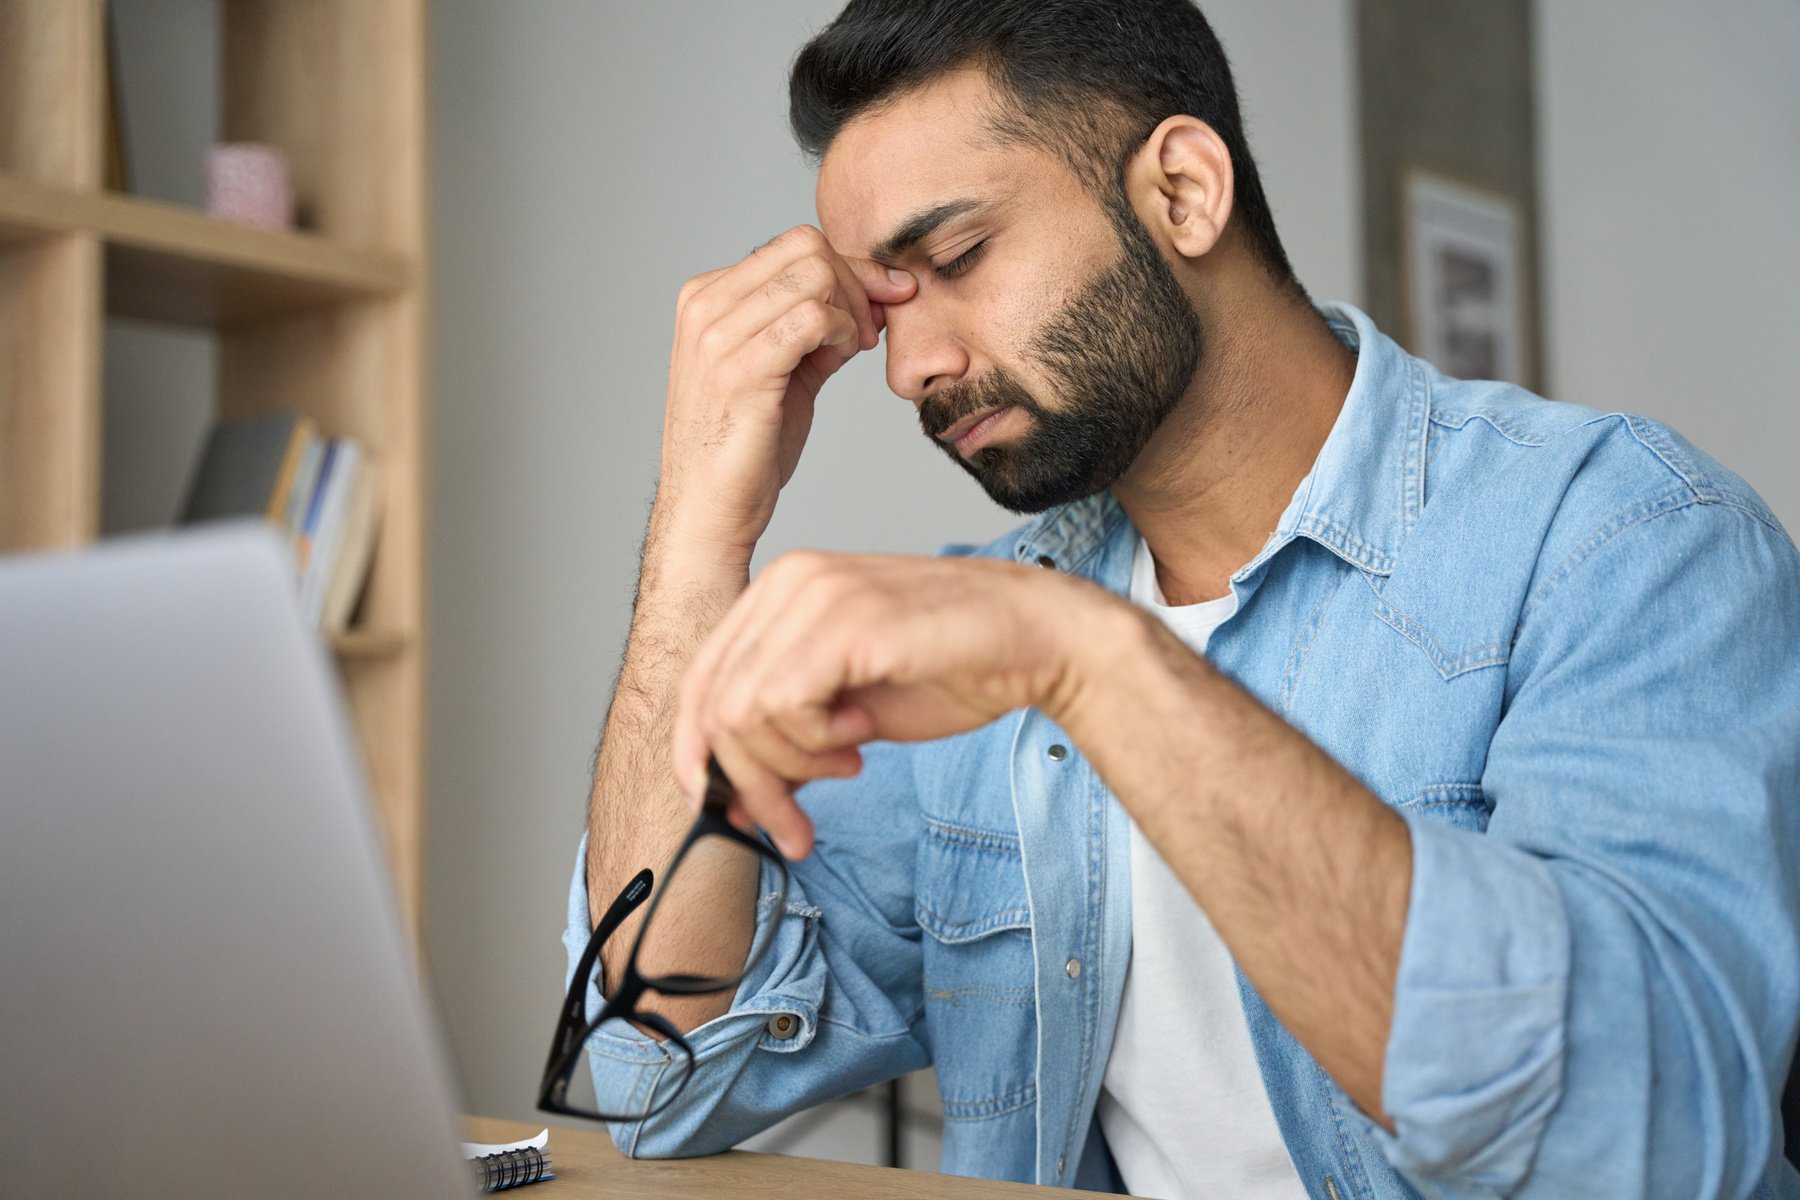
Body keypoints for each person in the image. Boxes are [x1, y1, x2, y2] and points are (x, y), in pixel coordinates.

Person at [562, 1, 1800, 1195]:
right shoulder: (1006, 625)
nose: (912, 368)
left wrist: (1099, 663)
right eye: (886, 306)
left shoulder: (1625, 538)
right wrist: (696, 531)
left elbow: (1653, 1151)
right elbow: (653, 1073)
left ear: (1183, 193)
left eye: (956, 259)